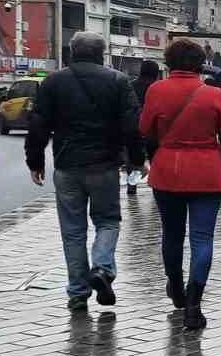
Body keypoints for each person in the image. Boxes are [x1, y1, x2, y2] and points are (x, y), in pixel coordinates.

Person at [25, 31, 145, 313]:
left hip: (67, 165)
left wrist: (35, 161)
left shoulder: (53, 81)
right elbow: (131, 126)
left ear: (72, 52)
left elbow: (38, 124)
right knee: (108, 221)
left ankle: (78, 292)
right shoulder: (117, 81)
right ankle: (102, 269)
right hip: (104, 164)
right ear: (101, 53)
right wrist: (137, 160)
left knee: (72, 230)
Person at [140, 39, 221, 331]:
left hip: (167, 171)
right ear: (200, 64)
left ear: (168, 62)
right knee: (202, 238)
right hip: (207, 174)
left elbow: (144, 128)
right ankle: (194, 305)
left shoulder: (156, 90)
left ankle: (174, 285)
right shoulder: (213, 95)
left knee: (171, 234)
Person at [126, 59, 162, 195]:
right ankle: (156, 186)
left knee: (133, 158)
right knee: (155, 158)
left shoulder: (130, 85)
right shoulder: (158, 87)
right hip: (153, 129)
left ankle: (132, 186)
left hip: (133, 127)